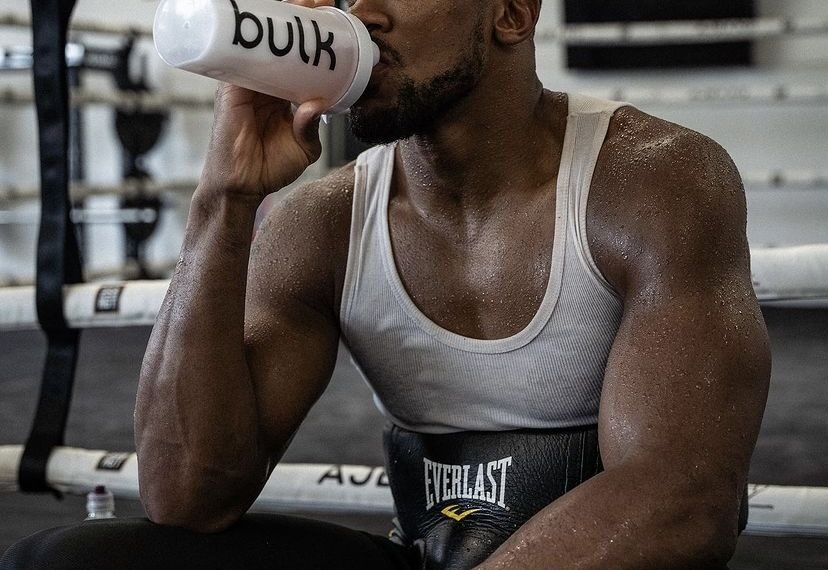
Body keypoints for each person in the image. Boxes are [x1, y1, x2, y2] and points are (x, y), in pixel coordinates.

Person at [1, 0, 771, 568]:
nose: (358, 15)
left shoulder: (652, 181)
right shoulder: (322, 220)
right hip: (427, 555)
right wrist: (223, 200)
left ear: (510, 14)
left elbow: (682, 500)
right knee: (70, 559)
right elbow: (187, 495)